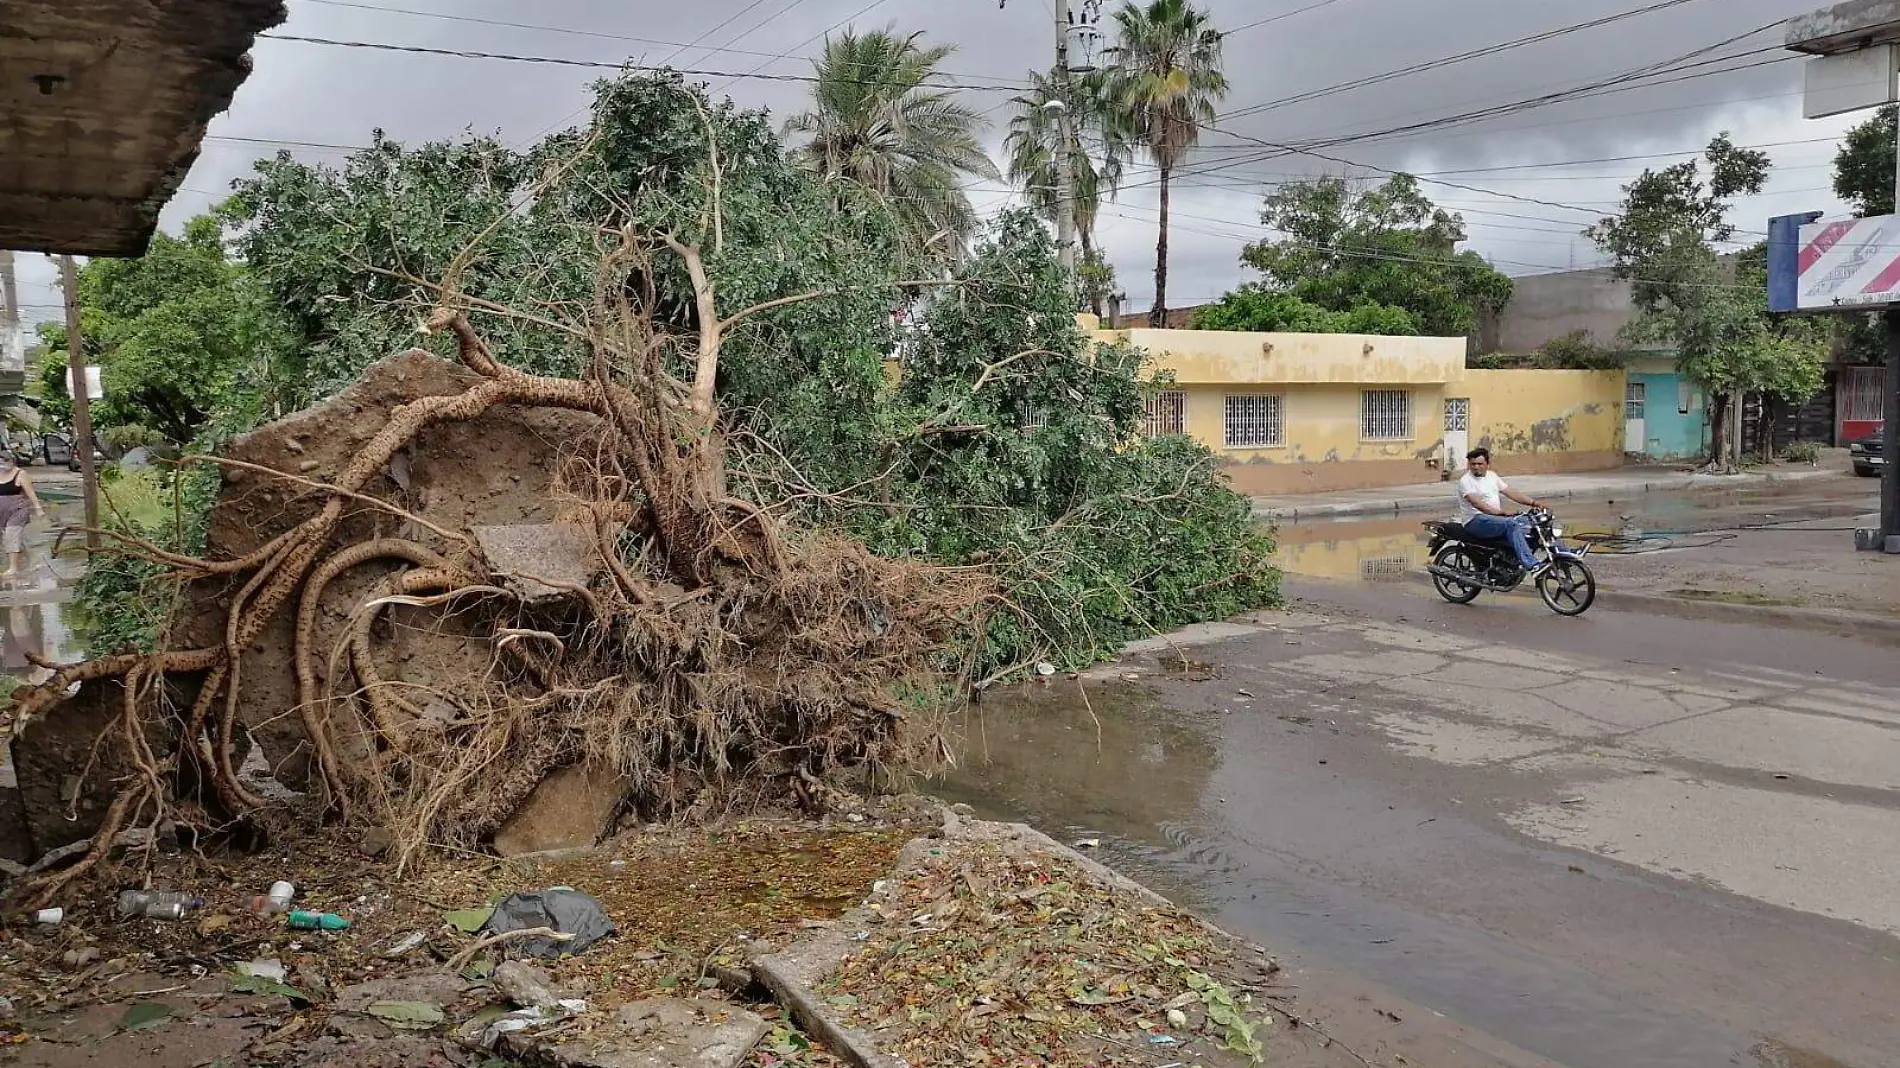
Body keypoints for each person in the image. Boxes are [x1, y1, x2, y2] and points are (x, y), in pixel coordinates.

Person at [1456, 447, 1545, 576]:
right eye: (1473, 464)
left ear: (1487, 464)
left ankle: (1565, 552)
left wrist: (1534, 503)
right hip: (1475, 521)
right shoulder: (1466, 481)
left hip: (1494, 519)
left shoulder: (1492, 476)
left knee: (1536, 522)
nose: (1476, 467)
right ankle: (1532, 564)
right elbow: (1477, 503)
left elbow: (1511, 493)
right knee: (1511, 524)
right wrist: (1500, 513)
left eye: (1480, 464)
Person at [0, 456, 46, 583]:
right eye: (2, 461)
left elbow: (30, 493)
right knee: (8, 537)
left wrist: (38, 508)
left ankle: (13, 568)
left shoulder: (20, 474)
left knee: (11, 534)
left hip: (18, 510)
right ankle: (28, 562)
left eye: (7, 460)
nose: (5, 464)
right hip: (2, 512)